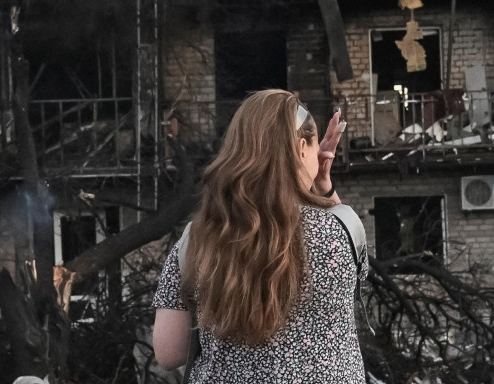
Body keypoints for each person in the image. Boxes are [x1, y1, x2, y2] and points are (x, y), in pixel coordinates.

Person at [151, 89, 367, 383]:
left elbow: (169, 353)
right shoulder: (343, 227)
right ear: (302, 148)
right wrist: (323, 186)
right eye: (315, 145)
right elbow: (357, 264)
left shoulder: (197, 238)